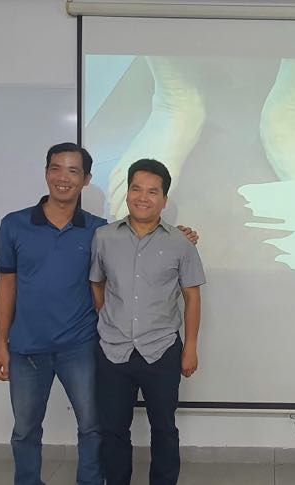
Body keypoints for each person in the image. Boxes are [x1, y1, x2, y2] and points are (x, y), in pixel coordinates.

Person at [0, 144, 196, 485]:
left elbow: (138, 242)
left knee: (92, 428)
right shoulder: (14, 225)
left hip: (80, 347)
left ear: (86, 179)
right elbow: (6, 284)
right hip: (27, 347)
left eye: (73, 171)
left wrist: (181, 235)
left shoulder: (97, 230)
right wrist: (1, 343)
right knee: (25, 430)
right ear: (46, 172)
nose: (63, 178)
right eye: (56, 168)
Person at [90, 158, 206, 485]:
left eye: (152, 191)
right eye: (136, 189)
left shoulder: (180, 243)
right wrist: (110, 319)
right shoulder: (104, 237)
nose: (143, 197)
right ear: (127, 193)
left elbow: (192, 297)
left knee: (164, 429)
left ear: (164, 199)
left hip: (162, 349)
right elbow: (97, 284)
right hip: (113, 351)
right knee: (113, 430)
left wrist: (190, 348)